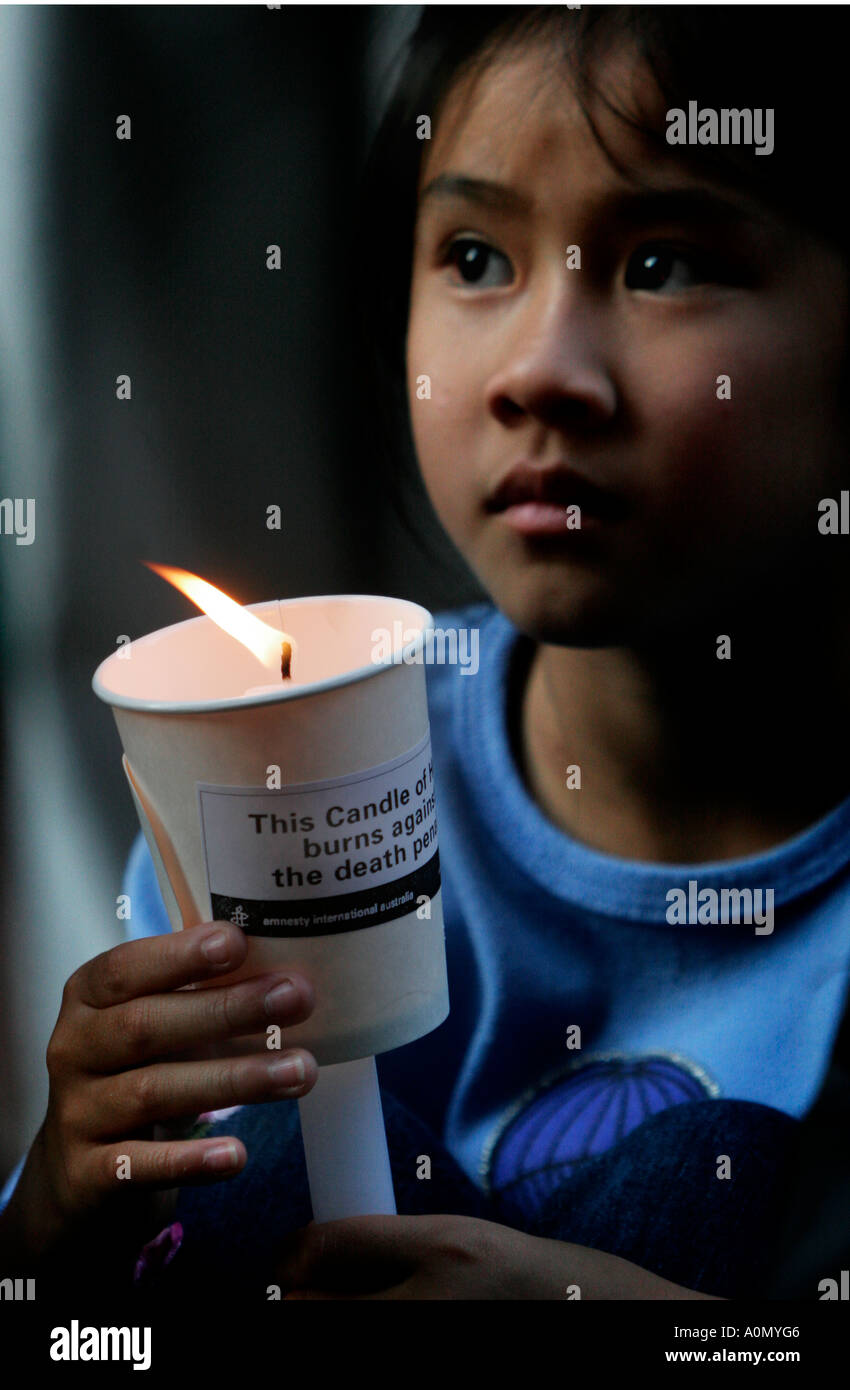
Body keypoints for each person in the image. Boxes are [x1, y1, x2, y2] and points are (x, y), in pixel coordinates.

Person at [3, 4, 850, 1300]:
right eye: (472, 254)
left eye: (664, 263)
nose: (537, 370)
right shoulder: (274, 782)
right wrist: (60, 1208)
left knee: (699, 1171)